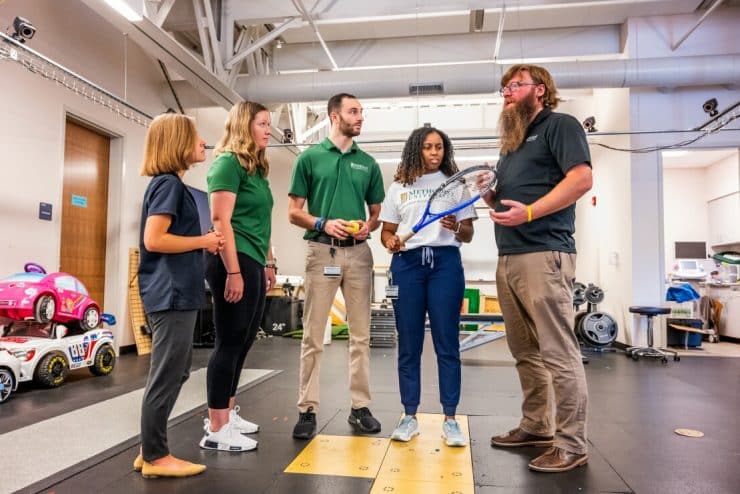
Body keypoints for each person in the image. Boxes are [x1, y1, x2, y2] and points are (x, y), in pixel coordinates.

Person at [481, 64, 593, 473]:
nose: (507, 92)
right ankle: (537, 425)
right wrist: (492, 195)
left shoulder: (559, 126)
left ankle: (571, 443)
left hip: (544, 254)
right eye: (504, 87)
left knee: (559, 353)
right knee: (524, 350)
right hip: (508, 256)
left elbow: (581, 180)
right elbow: (509, 206)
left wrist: (529, 212)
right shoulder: (511, 144)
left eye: (516, 85)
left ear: (540, 90)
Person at [288, 93, 385, 439]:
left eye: (362, 111)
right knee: (313, 336)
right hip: (321, 251)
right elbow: (293, 211)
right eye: (354, 111)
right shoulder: (310, 158)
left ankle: (360, 408)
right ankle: (307, 410)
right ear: (334, 116)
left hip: (359, 255)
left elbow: (375, 214)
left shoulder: (368, 164)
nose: (360, 117)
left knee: (361, 336)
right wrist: (322, 223)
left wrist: (367, 226)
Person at [136, 113, 224, 478]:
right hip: (170, 293)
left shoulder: (169, 185)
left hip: (175, 292)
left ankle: (148, 450)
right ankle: (156, 457)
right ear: (177, 144)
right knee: (168, 374)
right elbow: (154, 239)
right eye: (195, 137)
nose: (203, 142)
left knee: (175, 371)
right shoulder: (169, 185)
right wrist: (204, 241)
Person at [380, 126, 476, 447]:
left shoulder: (455, 185)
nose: (434, 153)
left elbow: (468, 234)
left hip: (445, 265)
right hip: (406, 266)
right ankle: (409, 416)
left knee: (447, 344)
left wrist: (457, 225)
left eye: (439, 147)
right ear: (415, 150)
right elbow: (387, 233)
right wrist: (390, 241)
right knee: (409, 344)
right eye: (428, 147)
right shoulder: (398, 187)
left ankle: (450, 419)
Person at [199, 101, 276, 452]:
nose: (269, 130)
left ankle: (227, 413)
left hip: (252, 259)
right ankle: (216, 427)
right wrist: (233, 271)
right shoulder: (228, 164)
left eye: (269, 124)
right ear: (245, 125)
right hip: (232, 258)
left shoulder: (256, 169)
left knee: (244, 340)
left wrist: (268, 262)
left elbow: (262, 221)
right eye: (262, 123)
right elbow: (220, 221)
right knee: (229, 341)